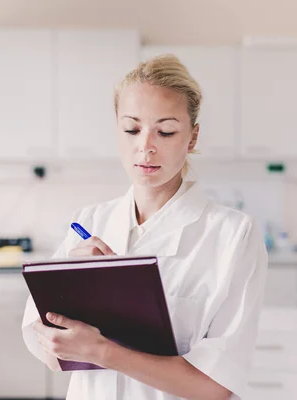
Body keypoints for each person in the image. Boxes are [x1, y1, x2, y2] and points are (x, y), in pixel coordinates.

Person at [22, 54, 267, 400]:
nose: (146, 146)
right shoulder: (88, 223)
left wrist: (101, 350)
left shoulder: (233, 235)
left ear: (192, 138)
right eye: (132, 129)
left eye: (165, 131)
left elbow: (215, 387)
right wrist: (74, 297)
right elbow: (49, 350)